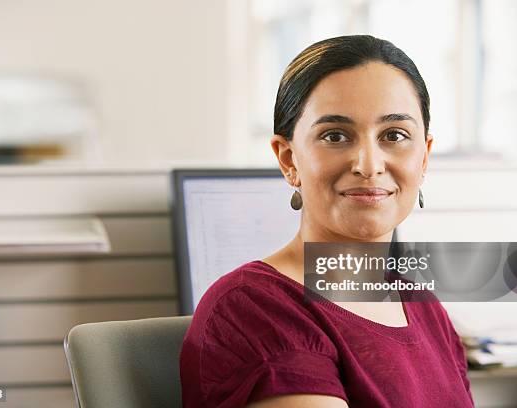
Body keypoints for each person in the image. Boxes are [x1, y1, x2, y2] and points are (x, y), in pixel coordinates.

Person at [180, 35, 474, 408]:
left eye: (394, 135)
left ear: (424, 158)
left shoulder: (423, 306)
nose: (368, 165)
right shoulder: (253, 309)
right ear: (288, 160)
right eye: (335, 136)